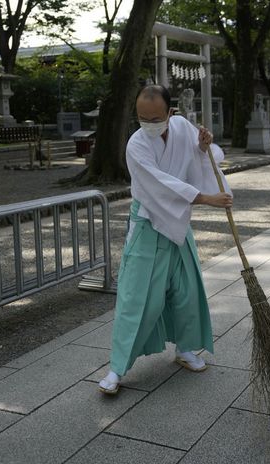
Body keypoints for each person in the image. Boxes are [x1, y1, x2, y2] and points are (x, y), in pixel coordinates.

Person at [98, 85, 233, 395]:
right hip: (148, 223)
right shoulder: (136, 145)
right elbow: (160, 185)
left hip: (177, 224)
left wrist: (202, 148)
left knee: (186, 291)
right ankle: (117, 368)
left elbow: (194, 161)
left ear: (170, 113)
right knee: (139, 298)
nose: (148, 123)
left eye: (155, 117)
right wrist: (206, 199)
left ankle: (185, 349)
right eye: (142, 118)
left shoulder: (183, 128)